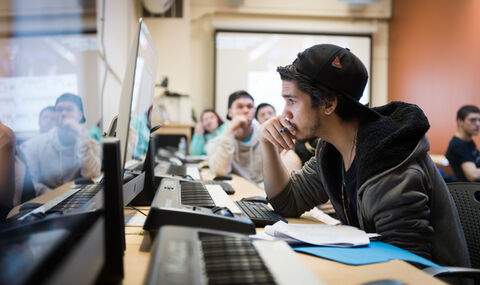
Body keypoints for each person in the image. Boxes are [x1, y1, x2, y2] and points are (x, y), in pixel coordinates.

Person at [259, 44, 469, 267]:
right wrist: (267, 144)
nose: (284, 114)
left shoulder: (390, 165)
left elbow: (409, 266)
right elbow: (288, 202)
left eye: (292, 101)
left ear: (329, 103)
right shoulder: (332, 151)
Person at [20, 93, 102, 195]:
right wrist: (56, 197)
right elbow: (32, 184)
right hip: (45, 201)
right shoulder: (34, 145)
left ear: (80, 115)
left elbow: (91, 175)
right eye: (59, 109)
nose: (63, 113)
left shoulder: (88, 141)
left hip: (79, 197)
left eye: (69, 109)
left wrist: (81, 135)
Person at [206, 90, 263, 183]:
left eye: (250, 106)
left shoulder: (264, 138)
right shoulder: (217, 142)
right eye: (240, 106)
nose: (246, 110)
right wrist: (230, 131)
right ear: (229, 112)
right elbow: (220, 171)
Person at [445, 105, 480, 182]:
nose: (478, 124)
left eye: (479, 120)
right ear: (460, 121)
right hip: (472, 192)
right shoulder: (458, 145)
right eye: (473, 120)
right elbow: (473, 175)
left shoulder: (469, 141)